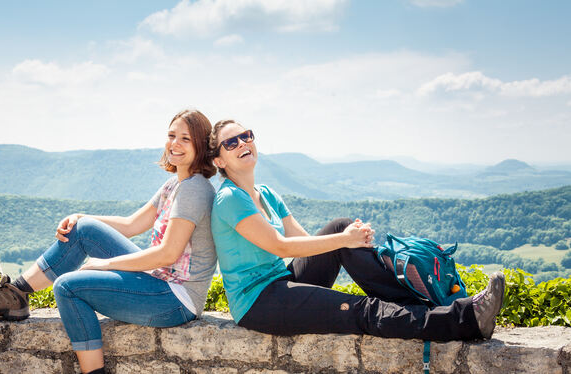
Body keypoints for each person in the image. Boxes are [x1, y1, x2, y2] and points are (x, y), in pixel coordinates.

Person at [0, 109, 218, 374]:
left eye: (185, 139)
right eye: (172, 135)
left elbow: (167, 254)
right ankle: (15, 295)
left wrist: (104, 265)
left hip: (175, 299)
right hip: (159, 282)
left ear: (201, 146)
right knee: (82, 228)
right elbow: (132, 225)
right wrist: (82, 216)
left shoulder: (194, 189)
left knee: (67, 287)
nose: (175, 144)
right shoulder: (175, 184)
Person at [208, 119, 505, 341]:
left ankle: (415, 305)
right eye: (231, 142)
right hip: (259, 302)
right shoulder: (231, 198)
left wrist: (347, 238)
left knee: (339, 228)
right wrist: (346, 238)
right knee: (362, 310)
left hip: (282, 281)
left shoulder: (266, 193)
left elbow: (307, 243)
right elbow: (282, 247)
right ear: (219, 160)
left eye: (246, 136)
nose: (243, 143)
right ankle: (466, 320)